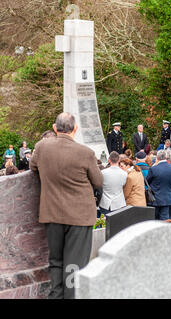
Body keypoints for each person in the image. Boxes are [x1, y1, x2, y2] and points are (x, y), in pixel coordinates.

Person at [29, 112, 103, 299]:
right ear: (75, 129)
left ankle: (56, 295)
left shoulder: (41, 147)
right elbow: (98, 181)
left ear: (55, 128)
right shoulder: (86, 153)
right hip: (79, 216)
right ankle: (72, 296)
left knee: (55, 260)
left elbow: (33, 167)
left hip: (52, 212)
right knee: (75, 263)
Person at [146, 150, 171, 220]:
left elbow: (147, 182)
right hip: (167, 197)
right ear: (166, 157)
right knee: (165, 218)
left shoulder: (153, 169)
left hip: (155, 198)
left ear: (157, 157)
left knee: (155, 219)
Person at [98, 151, 128, 217]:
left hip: (105, 202)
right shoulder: (124, 174)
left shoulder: (103, 172)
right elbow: (123, 184)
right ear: (119, 160)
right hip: (119, 203)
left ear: (109, 160)